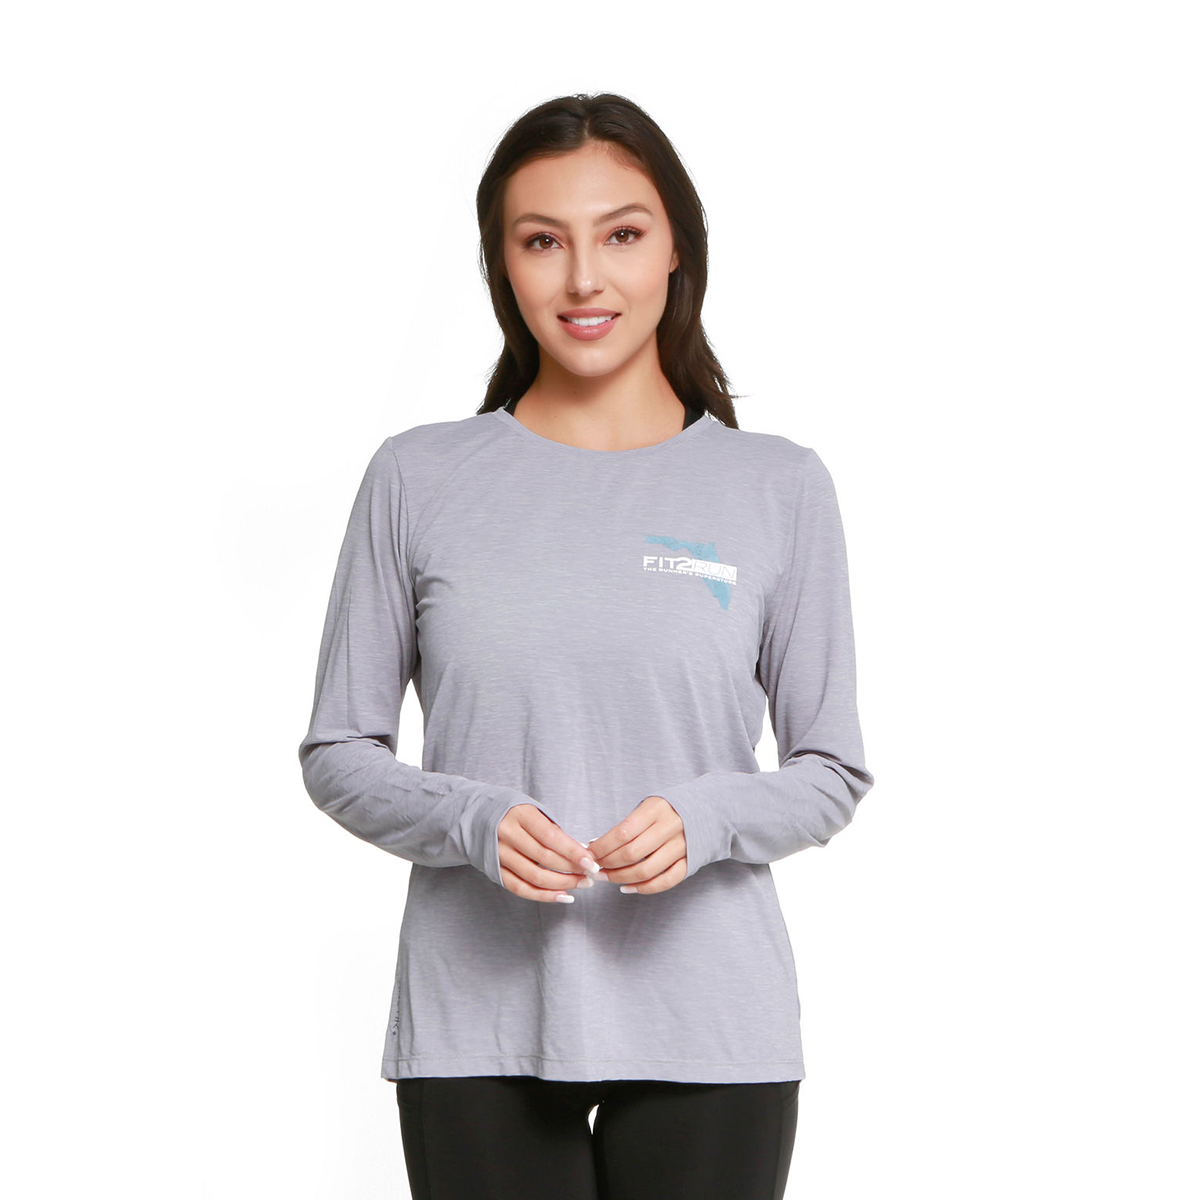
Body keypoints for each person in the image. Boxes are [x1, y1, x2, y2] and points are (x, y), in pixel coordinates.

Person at [298, 91, 875, 1200]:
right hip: (476, 1023)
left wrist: (708, 818)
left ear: (676, 248)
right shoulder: (418, 478)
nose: (582, 280)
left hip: (711, 1029)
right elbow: (339, 750)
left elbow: (831, 769)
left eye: (621, 234)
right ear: (501, 266)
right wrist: (470, 819)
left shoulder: (778, 487)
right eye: (541, 241)